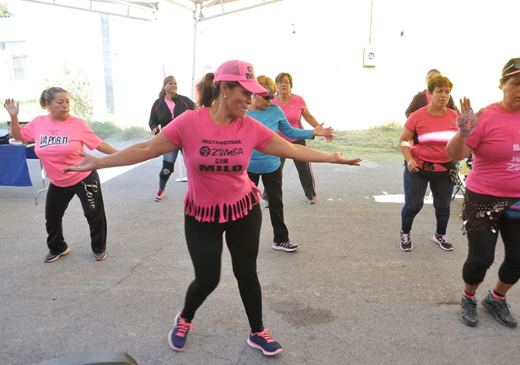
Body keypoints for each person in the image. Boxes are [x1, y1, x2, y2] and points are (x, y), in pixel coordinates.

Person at [63, 60, 361, 356]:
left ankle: (257, 331)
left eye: (253, 93)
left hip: (244, 211)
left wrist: (331, 158)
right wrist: (99, 162)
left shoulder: (250, 127)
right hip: (201, 215)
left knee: (247, 272)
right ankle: (185, 318)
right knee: (208, 278)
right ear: (224, 88)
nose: (250, 99)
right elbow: (145, 148)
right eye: (244, 92)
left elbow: (291, 148)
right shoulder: (189, 122)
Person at [446, 57, 520, 328]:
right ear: (502, 85)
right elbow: (455, 155)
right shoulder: (485, 116)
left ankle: (496, 298)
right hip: (483, 200)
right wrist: (463, 132)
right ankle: (469, 296)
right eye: (516, 83)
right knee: (481, 259)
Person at [3, 88, 117, 263]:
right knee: (52, 217)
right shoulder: (39, 123)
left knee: (94, 214)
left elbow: (98, 144)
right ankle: (58, 247)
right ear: (48, 104)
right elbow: (19, 136)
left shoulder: (78, 124)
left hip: (83, 176)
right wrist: (14, 116)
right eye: (60, 102)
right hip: (57, 180)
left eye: (67, 102)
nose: (65, 106)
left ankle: (99, 247)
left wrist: (121, 155)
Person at [247, 75, 333, 252]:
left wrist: (312, 132)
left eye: (272, 96)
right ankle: (244, 240)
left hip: (272, 165)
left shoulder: (275, 110)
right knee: (247, 206)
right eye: (267, 96)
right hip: (248, 168)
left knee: (276, 204)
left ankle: (280, 239)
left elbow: (289, 131)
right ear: (255, 94)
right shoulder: (243, 111)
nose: (271, 100)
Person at [399, 75, 462, 252]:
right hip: (418, 167)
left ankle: (440, 234)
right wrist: (409, 159)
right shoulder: (417, 116)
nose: (444, 95)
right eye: (439, 91)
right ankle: (405, 232)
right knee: (413, 205)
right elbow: (404, 140)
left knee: (443, 206)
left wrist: (467, 130)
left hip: (444, 169)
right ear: (429, 93)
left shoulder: (454, 116)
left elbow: (461, 141)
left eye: (447, 92)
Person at [270, 72, 333, 205]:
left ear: (291, 85)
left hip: (297, 137)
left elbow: (308, 117)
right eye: (280, 82)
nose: (283, 85)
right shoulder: (271, 101)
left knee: (303, 168)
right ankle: (269, 196)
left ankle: (311, 194)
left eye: (286, 82)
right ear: (276, 85)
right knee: (274, 169)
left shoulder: (298, 100)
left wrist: (320, 130)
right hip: (278, 140)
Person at [149, 75, 195, 201]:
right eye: (170, 83)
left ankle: (196, 191)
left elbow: (197, 112)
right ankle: (161, 189)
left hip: (187, 139)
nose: (173, 85)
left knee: (194, 166)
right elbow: (153, 120)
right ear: (164, 86)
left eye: (175, 83)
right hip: (169, 139)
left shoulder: (184, 101)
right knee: (166, 169)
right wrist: (154, 127)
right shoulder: (158, 104)